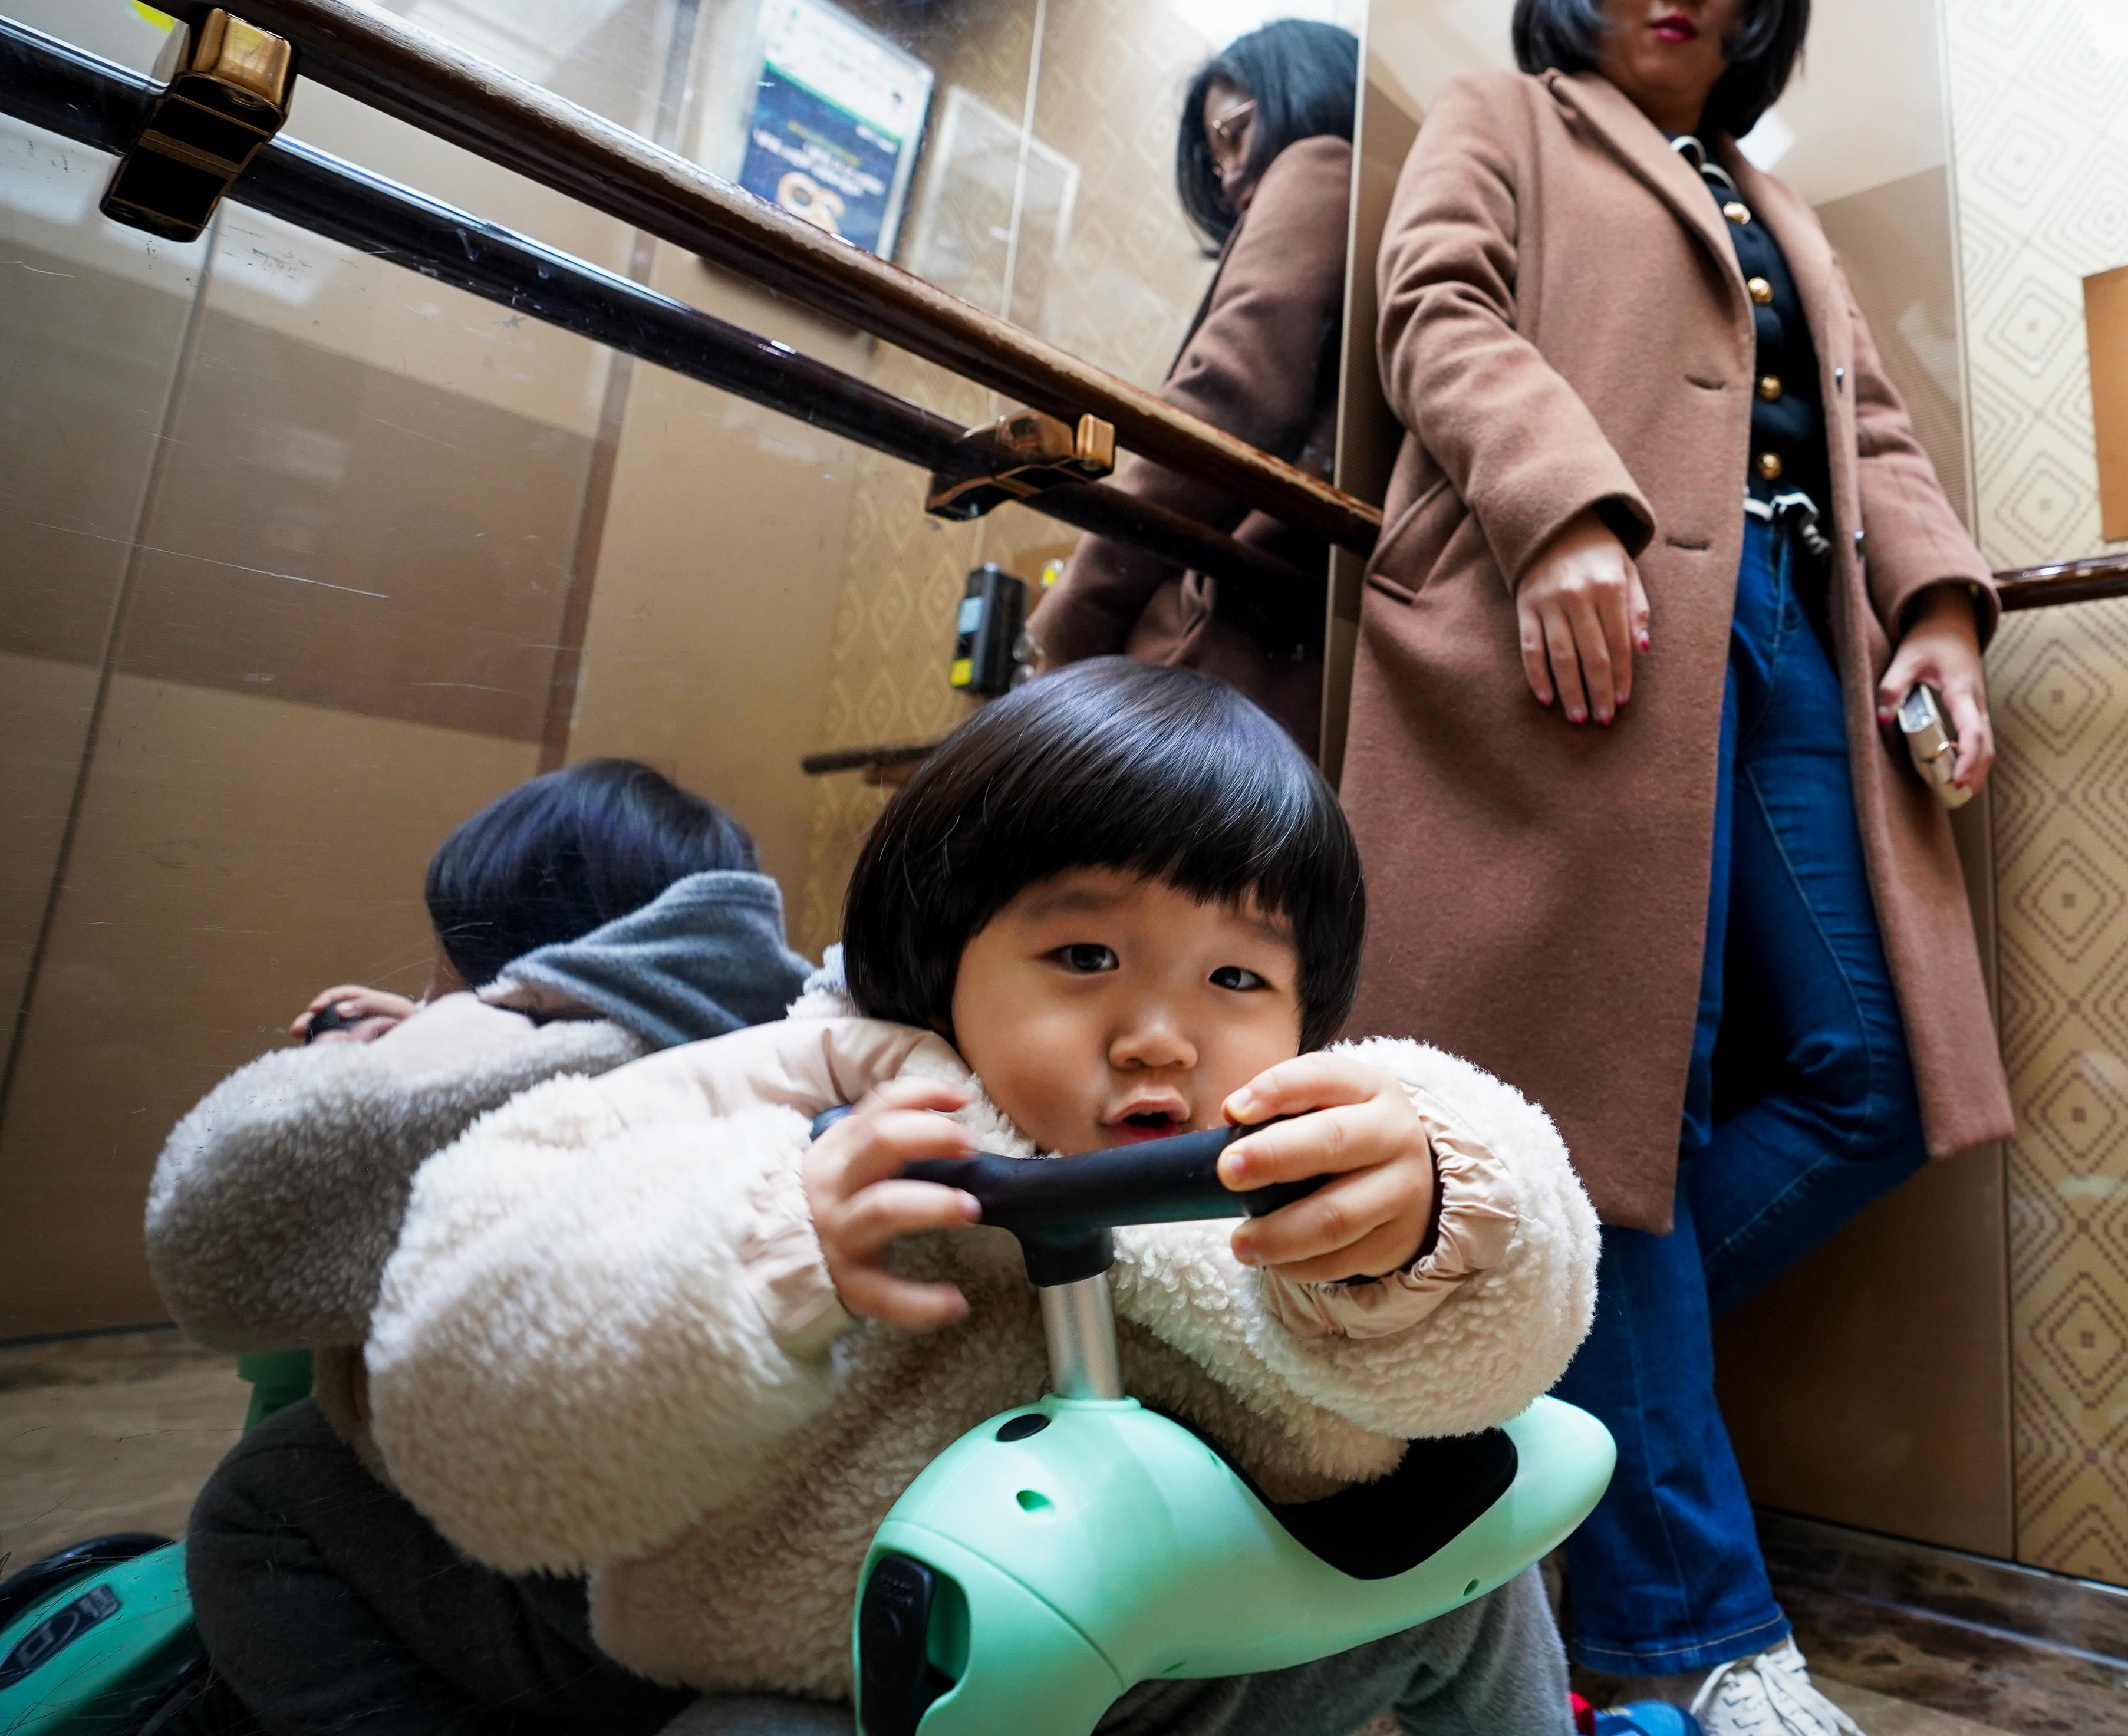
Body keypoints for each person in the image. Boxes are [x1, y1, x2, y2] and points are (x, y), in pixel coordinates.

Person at [361, 661, 1602, 1735]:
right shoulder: (813, 1101)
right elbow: (476, 1341)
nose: (1162, 1037)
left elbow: (1491, 1349)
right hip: (866, 1679)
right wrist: (765, 1244)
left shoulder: (1291, 1150)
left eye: (1235, 973)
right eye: (1084, 957)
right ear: (941, 956)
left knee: (1474, 1580)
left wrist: (1436, 1214)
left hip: (1206, 1669)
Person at [1338, 0, 2010, 1736]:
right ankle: (1688, 1642)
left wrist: (1943, 610)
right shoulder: (1503, 114)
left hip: (1799, 639)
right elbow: (1434, 314)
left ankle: (1501, 1360)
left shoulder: (1782, 210)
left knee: (1868, 1082)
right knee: (1614, 1088)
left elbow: (1871, 431)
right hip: (1598, 638)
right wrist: (1561, 511)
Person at [146, 758, 815, 1735]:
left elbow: (222, 1244)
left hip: (604, 1601)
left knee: (266, 1498)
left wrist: (356, 1060)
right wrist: (429, 1025)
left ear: (517, 954)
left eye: (447, 969)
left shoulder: (545, 1070)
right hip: (775, 1560)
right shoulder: (776, 1040)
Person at [1026, 19, 1360, 753]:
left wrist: (1071, 619)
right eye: (1216, 160)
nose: (1231, 175)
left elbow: (1230, 398)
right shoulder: (1373, 205)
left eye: (1238, 133)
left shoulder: (1320, 163)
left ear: (1306, 91)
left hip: (1224, 646)